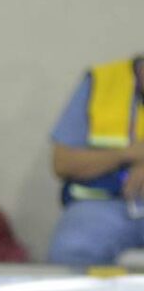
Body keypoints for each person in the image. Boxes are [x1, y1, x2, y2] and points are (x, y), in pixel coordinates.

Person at [48, 55, 144, 265]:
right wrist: (126, 154)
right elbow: (63, 163)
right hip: (105, 204)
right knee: (71, 251)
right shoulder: (102, 81)